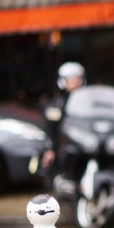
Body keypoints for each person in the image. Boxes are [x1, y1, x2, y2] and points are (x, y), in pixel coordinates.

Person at [42, 61, 86, 193]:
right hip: (65, 145)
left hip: (85, 142)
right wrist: (50, 149)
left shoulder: (87, 101)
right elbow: (50, 128)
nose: (75, 82)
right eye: (71, 79)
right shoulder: (58, 103)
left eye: (78, 79)